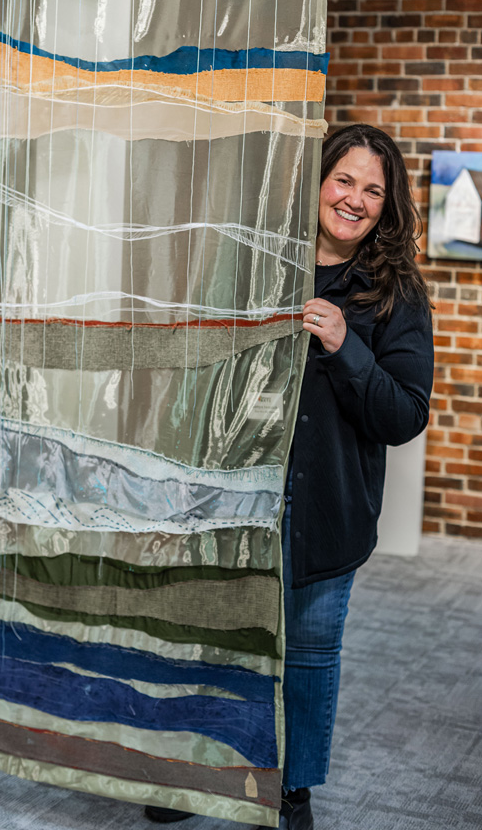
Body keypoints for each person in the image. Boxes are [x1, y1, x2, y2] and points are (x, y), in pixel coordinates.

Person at [144, 124, 434, 829]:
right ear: (316, 182)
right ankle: (196, 773)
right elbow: (196, 372)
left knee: (306, 656)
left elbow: (403, 415)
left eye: (373, 190)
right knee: (210, 641)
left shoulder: (395, 294)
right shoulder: (255, 265)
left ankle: (290, 790)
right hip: (231, 498)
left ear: (387, 205)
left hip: (327, 510)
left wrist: (344, 346)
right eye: (344, 180)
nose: (354, 199)